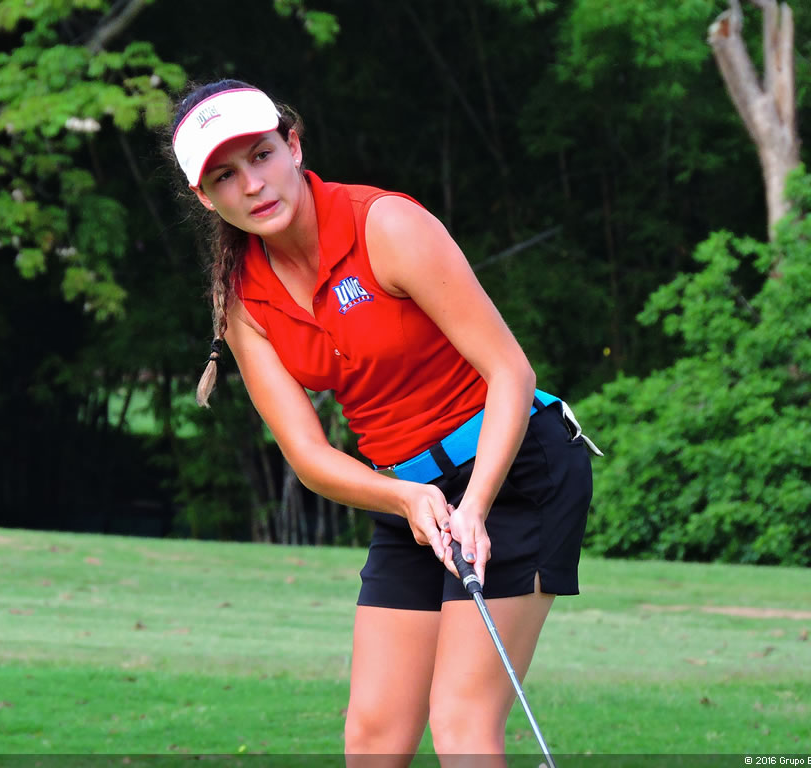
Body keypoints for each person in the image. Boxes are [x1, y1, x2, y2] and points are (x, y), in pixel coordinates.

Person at [170, 79, 599, 765]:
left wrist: (474, 506)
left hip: (515, 470)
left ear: (293, 145)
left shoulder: (386, 226)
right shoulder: (243, 301)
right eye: (225, 175)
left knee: (461, 724)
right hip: (408, 497)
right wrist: (404, 499)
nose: (252, 184)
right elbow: (309, 456)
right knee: (373, 736)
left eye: (261, 155)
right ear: (204, 196)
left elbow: (510, 374)